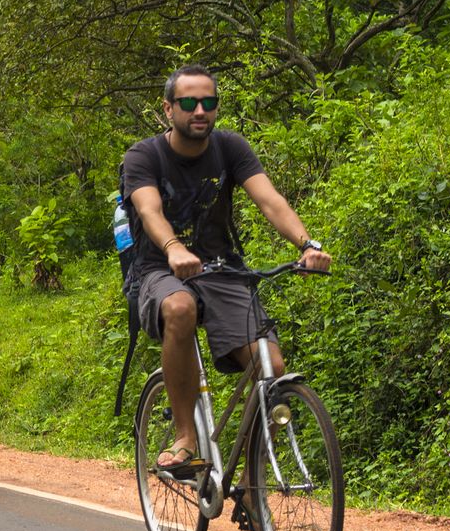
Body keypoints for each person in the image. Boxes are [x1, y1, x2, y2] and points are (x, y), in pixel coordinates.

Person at [121, 64, 332, 472]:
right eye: (188, 102)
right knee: (179, 307)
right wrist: (173, 248)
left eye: (208, 102)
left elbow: (269, 200)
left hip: (220, 269)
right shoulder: (144, 155)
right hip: (158, 269)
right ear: (168, 109)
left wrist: (307, 245)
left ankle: (252, 482)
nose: (199, 110)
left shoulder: (230, 148)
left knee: (271, 365)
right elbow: (149, 209)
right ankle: (185, 437)